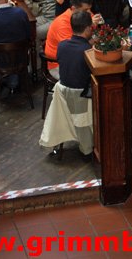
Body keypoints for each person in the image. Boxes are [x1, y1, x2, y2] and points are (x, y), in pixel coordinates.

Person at [39, 11, 94, 158]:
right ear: (88, 29)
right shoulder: (87, 51)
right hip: (82, 96)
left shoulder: (62, 46)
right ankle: (89, 147)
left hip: (63, 92)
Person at [44, 0, 97, 79]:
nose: (90, 13)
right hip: (60, 65)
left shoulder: (85, 15)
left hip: (81, 57)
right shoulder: (62, 24)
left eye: (90, 9)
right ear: (73, 8)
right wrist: (94, 37)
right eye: (85, 10)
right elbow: (73, 51)